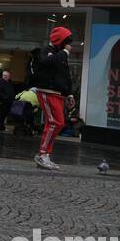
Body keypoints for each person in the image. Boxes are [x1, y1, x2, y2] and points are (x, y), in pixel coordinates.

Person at [32, 26, 74, 171]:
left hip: (57, 93)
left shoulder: (60, 54)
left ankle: (45, 154)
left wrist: (69, 93)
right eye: (67, 41)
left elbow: (65, 74)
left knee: (58, 123)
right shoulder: (47, 51)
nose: (69, 44)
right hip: (46, 91)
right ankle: (43, 154)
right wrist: (65, 52)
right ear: (60, 40)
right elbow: (49, 62)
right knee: (53, 122)